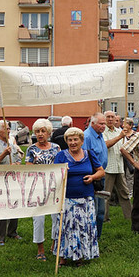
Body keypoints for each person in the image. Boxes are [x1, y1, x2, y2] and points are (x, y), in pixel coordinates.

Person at [53, 127, 104, 266]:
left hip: (86, 198)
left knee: (83, 227)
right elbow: (53, 174)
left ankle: (80, 256)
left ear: (81, 141)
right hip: (67, 198)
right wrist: (62, 172)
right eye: (70, 140)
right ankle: (63, 256)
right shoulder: (61, 155)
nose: (73, 142)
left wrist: (93, 177)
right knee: (66, 228)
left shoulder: (89, 154)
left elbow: (101, 171)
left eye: (75, 139)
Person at [26, 118, 60, 261]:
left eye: (43, 131)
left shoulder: (56, 148)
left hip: (55, 187)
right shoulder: (31, 149)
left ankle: (54, 244)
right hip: (37, 189)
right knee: (38, 219)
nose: (40, 134)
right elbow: (28, 167)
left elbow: (61, 165)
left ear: (49, 133)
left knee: (56, 217)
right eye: (37, 131)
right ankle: (40, 249)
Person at [0, 120, 23, 246]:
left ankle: (12, 231)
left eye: (9, 129)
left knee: (14, 205)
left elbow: (18, 158)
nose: (9, 131)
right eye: (6, 129)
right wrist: (3, 155)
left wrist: (17, 164)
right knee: (2, 208)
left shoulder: (11, 144)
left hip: (13, 179)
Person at [83, 112, 109, 239]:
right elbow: (84, 158)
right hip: (92, 178)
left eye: (104, 124)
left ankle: (97, 237)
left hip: (101, 176)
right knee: (94, 210)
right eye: (101, 123)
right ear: (92, 123)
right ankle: (91, 237)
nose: (104, 126)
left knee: (100, 211)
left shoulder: (100, 135)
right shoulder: (86, 137)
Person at [102, 111, 132, 222]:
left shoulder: (120, 131)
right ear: (104, 119)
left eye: (112, 117)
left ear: (116, 119)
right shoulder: (102, 132)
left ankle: (129, 216)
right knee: (106, 195)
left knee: (124, 192)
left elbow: (123, 149)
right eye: (108, 117)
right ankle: (104, 218)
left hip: (119, 167)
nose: (110, 119)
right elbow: (106, 145)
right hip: (108, 167)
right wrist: (120, 137)